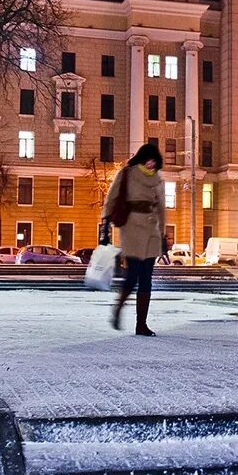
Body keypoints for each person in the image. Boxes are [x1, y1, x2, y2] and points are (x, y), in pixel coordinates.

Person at [103, 142, 166, 336]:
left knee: (147, 278)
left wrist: (162, 235)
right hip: (131, 227)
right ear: (142, 158)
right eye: (149, 159)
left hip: (152, 229)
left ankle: (141, 325)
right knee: (133, 275)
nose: (152, 164)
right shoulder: (127, 174)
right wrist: (104, 228)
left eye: (155, 161)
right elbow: (111, 199)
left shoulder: (157, 179)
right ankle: (118, 308)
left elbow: (162, 208)